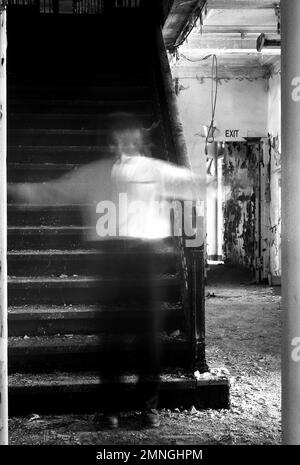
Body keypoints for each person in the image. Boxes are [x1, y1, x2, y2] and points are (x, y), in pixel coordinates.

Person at [8, 112, 203, 429]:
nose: (122, 143)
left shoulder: (156, 171)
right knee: (111, 339)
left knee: (148, 339)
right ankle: (111, 409)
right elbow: (52, 192)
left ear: (139, 138)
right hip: (110, 259)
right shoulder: (95, 174)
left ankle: (146, 408)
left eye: (128, 136)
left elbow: (191, 185)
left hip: (145, 257)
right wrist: (14, 189)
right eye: (116, 137)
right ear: (110, 141)